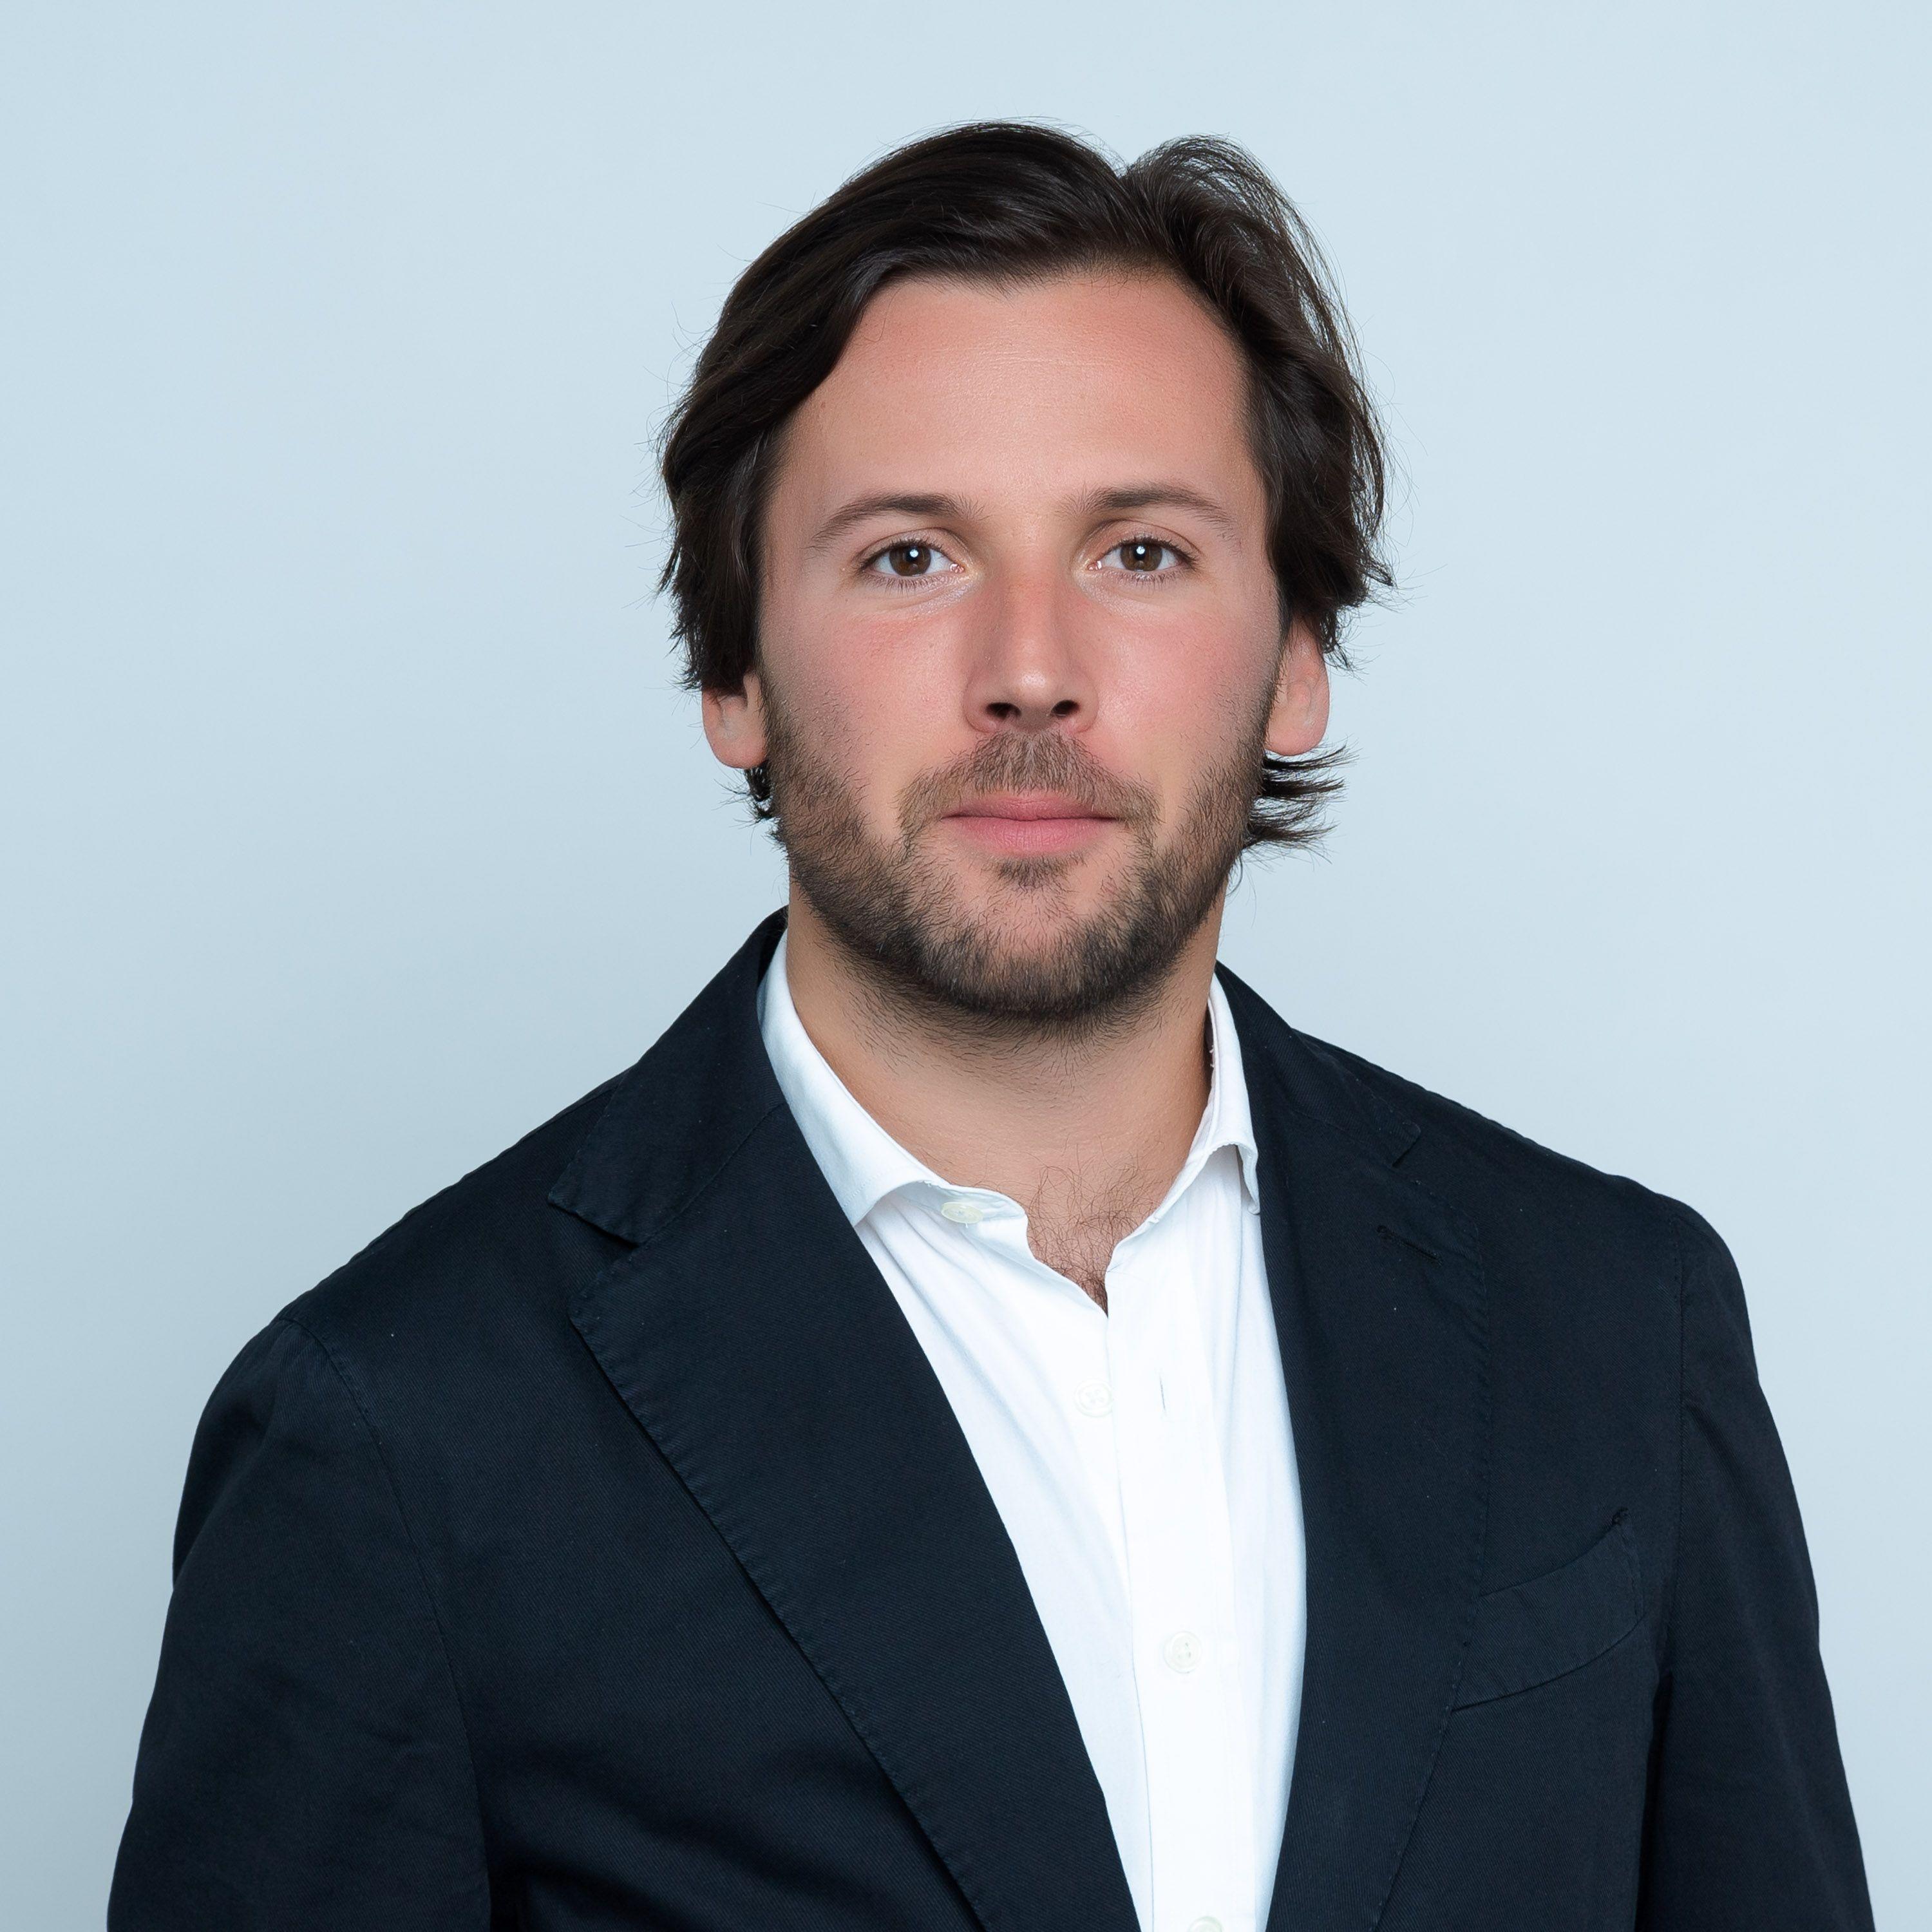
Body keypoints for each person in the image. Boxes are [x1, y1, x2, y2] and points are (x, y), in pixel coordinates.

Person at [109, 122, 1874, 1932]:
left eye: (1140, 551)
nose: (1031, 670)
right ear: (733, 670)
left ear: (1297, 655)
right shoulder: (399, 1430)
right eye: (908, 557)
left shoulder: (1616, 1323)